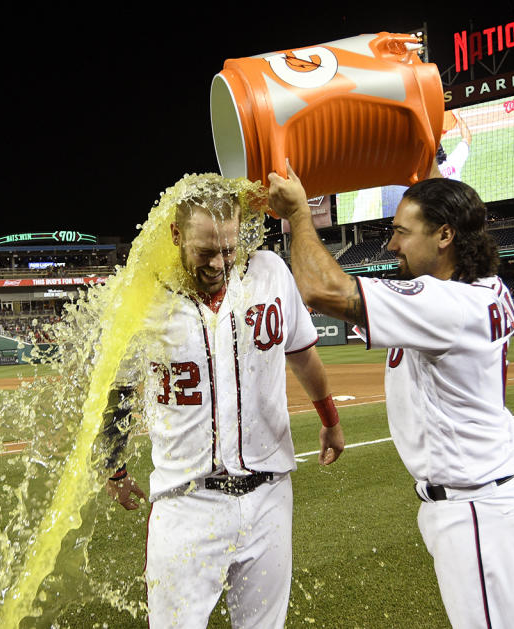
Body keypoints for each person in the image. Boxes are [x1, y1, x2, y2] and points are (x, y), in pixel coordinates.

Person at [269, 163, 514, 629]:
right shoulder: (483, 287)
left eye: (402, 232)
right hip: (494, 500)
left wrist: (299, 213)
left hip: (479, 512)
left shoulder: (446, 305)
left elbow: (319, 290)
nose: (392, 244)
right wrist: (425, 161)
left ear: (444, 236)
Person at [100, 175, 345, 629]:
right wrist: (114, 466)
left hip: (270, 494)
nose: (219, 262)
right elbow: (117, 392)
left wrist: (329, 418)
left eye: (228, 249)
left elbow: (302, 352)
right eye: (205, 251)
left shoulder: (269, 272)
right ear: (176, 236)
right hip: (186, 503)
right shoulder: (143, 300)